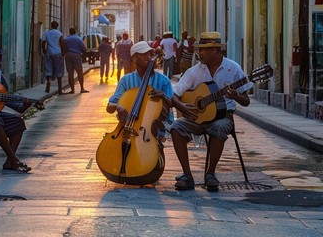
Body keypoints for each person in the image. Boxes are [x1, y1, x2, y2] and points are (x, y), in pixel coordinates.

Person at [170, 31, 253, 192]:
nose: (199, 53)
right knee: (175, 127)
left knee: (218, 127)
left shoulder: (233, 68)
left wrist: (236, 95)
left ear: (215, 50)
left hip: (223, 116)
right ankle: (187, 175)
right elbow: (174, 95)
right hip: (196, 119)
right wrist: (182, 107)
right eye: (199, 49)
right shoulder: (195, 71)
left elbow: (246, 101)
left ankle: (210, 173)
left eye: (203, 50)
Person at [106, 41, 173, 142]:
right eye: (144, 54)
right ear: (134, 58)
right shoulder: (126, 80)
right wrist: (117, 106)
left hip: (156, 127)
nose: (149, 57)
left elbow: (170, 105)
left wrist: (163, 96)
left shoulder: (163, 80)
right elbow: (109, 107)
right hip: (131, 125)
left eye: (150, 54)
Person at [41, 21, 66, 94]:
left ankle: (48, 84)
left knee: (48, 69)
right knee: (59, 70)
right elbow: (62, 44)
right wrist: (63, 53)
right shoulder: (59, 34)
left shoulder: (46, 33)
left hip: (49, 53)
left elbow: (43, 43)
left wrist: (44, 50)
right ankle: (60, 89)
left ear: (51, 25)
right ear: (57, 26)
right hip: (58, 53)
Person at [64, 28, 89, 93]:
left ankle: (72, 90)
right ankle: (82, 88)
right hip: (76, 55)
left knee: (70, 73)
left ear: (69, 32)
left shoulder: (66, 39)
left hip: (68, 55)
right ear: (75, 32)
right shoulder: (78, 39)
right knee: (79, 72)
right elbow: (84, 48)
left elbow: (63, 47)